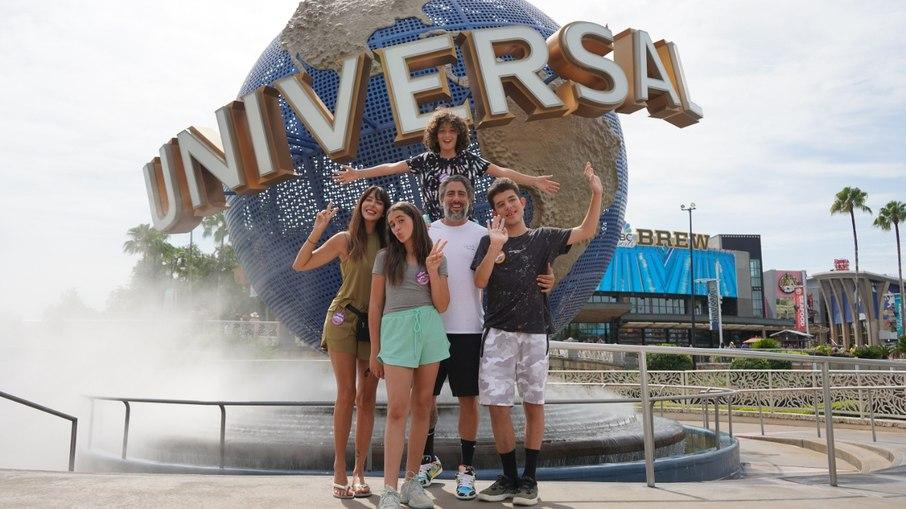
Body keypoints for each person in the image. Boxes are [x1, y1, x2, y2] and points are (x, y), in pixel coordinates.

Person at [471, 164, 604, 506]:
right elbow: (480, 282)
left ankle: (530, 479)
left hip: (533, 333)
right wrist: (493, 247)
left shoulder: (543, 238)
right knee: (497, 406)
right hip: (498, 335)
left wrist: (597, 193)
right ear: (495, 211)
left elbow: (586, 230)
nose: (508, 207)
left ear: (523, 202)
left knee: (533, 404)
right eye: (501, 204)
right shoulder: (489, 240)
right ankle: (509, 478)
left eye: (512, 200)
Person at [418, 175, 555, 500]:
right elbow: (415, 273)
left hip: (471, 331)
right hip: (431, 328)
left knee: (470, 401)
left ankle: (466, 470)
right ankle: (426, 459)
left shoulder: (487, 235)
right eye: (450, 193)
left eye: (461, 193)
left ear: (470, 199)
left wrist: (551, 276)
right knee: (424, 401)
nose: (455, 198)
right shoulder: (426, 232)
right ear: (441, 199)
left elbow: (531, 260)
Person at [291, 185, 391, 499]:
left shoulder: (391, 245)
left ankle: (360, 471)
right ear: (360, 205)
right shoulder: (345, 240)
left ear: (385, 210)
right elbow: (301, 264)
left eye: (379, 202)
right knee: (346, 393)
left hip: (375, 326)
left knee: (367, 398)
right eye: (368, 200)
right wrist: (318, 228)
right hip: (343, 320)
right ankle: (339, 469)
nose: (373, 205)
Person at [332, 108, 560, 221]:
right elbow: (392, 167)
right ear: (435, 135)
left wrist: (533, 181)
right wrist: (358, 173)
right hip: (434, 225)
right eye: (442, 131)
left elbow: (501, 172)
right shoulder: (425, 160)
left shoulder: (470, 160)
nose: (447, 136)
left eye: (452, 131)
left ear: (459, 135)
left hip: (465, 224)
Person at [369, 202, 451, 509]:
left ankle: (412, 482)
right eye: (391, 224)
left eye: (400, 221)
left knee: (422, 407)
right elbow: (375, 305)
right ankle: (389, 488)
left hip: (429, 327)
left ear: (414, 220)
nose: (396, 228)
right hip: (397, 329)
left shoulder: (436, 257)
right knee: (397, 409)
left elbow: (442, 305)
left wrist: (432, 269)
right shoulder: (384, 258)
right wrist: (376, 350)